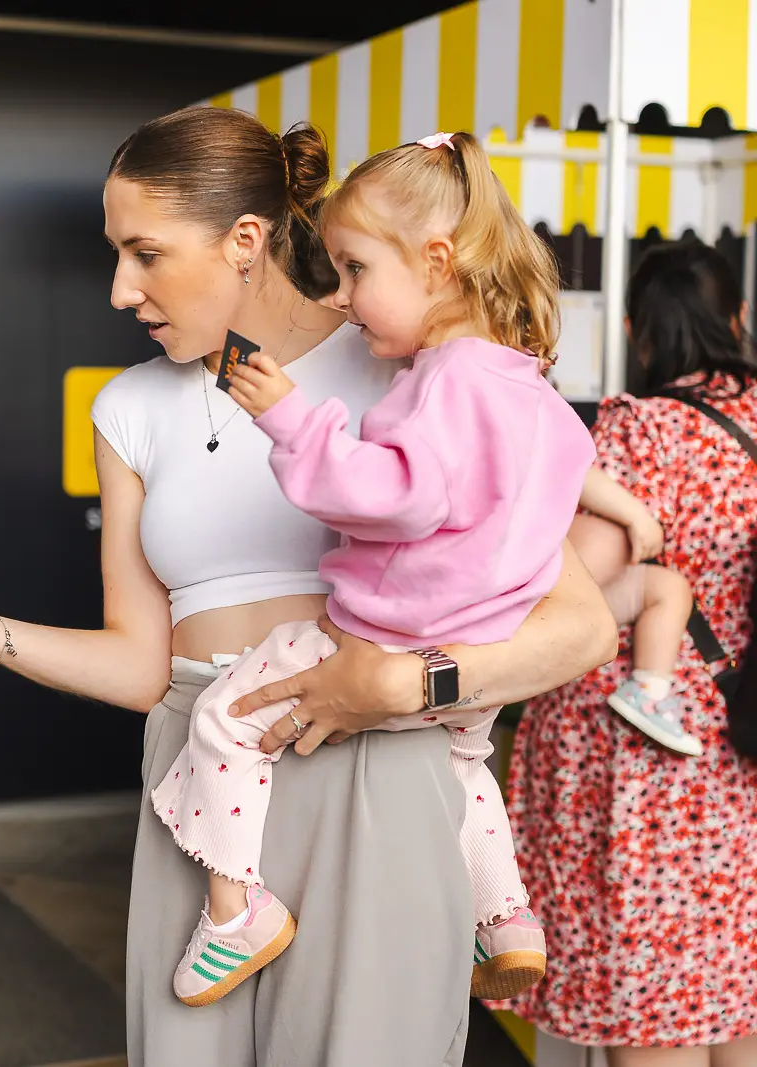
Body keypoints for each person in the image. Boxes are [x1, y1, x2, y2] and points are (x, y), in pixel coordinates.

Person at [0, 107, 617, 1067]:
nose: (121, 289)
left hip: (375, 765)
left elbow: (580, 627)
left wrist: (413, 685)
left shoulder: (408, 366)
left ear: (245, 241)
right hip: (203, 792)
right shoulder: (128, 408)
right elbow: (136, 666)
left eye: (145, 253)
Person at [152, 130, 595, 1011]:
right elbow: (555, 492)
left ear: (437, 262)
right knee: (467, 767)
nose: (345, 298)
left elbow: (398, 496)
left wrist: (292, 420)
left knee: (221, 722)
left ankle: (236, 911)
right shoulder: (529, 388)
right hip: (478, 656)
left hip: (380, 632)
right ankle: (506, 915)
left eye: (356, 270)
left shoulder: (446, 380)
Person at [506, 240, 757, 1067]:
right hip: (746, 742)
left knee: (656, 1014)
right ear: (738, 320)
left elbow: (577, 581)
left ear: (635, 331)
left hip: (642, 758)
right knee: (736, 997)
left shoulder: (638, 432)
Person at [569, 466, 700, 754]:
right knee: (608, 540)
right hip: (530, 577)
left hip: (576, 591)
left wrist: (637, 518)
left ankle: (649, 691)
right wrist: (636, 518)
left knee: (670, 588)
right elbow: (567, 463)